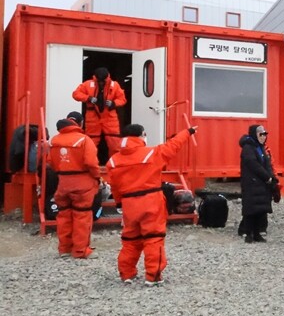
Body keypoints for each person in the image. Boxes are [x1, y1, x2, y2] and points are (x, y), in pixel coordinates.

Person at [106, 123, 196, 286]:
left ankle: (127, 273)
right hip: (151, 202)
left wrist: (119, 202)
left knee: (130, 239)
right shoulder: (152, 154)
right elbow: (173, 145)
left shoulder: (113, 161)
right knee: (153, 238)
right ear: (140, 136)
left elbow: (115, 186)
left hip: (129, 204)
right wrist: (188, 132)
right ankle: (153, 276)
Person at [47, 112, 101, 259]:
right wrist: (97, 178)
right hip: (82, 185)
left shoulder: (54, 141)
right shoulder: (84, 140)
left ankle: (64, 249)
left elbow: (50, 162)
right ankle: (80, 251)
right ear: (80, 123)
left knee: (63, 216)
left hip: (63, 183)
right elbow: (91, 164)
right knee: (82, 217)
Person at [72, 67, 127, 157]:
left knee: (114, 144)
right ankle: (89, 164)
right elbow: (75, 94)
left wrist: (113, 103)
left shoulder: (115, 85)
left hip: (110, 117)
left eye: (103, 81)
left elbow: (122, 99)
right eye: (99, 81)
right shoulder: (87, 84)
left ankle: (115, 165)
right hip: (93, 117)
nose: (101, 83)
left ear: (107, 78)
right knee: (90, 143)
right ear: (96, 78)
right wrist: (88, 98)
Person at [238, 124, 275, 244]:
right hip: (251, 183)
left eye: (265, 134)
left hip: (261, 183)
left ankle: (257, 233)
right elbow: (253, 164)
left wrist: (271, 176)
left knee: (260, 209)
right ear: (255, 134)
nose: (264, 136)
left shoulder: (260, 147)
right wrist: (266, 177)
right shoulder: (248, 148)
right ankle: (248, 233)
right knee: (250, 209)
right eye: (261, 134)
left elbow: (267, 163)